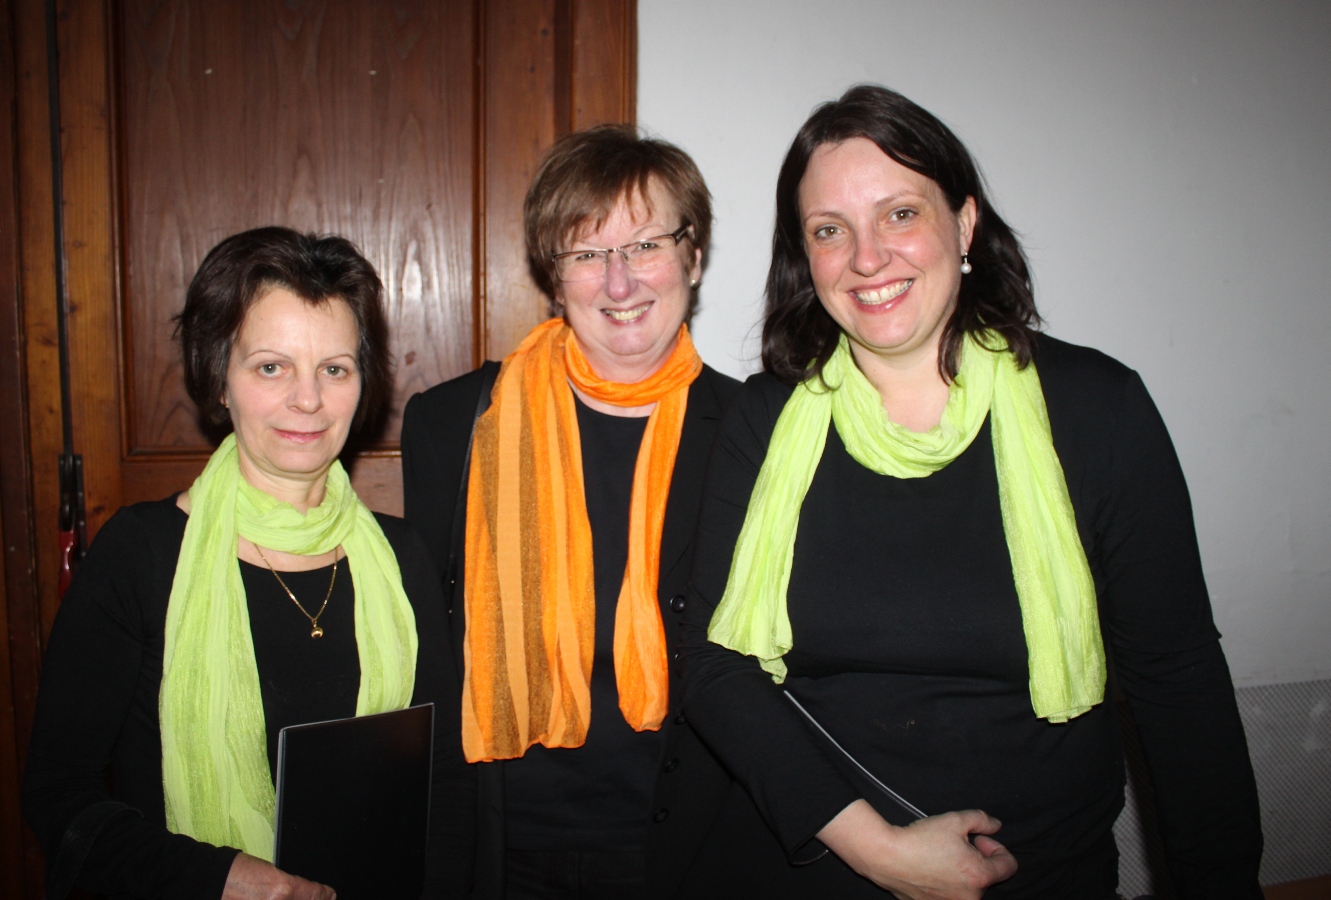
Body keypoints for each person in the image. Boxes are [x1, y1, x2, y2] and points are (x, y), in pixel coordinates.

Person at [676, 85, 1264, 900]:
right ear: (805, 257)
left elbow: (1177, 680)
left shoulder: (1097, 409)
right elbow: (713, 665)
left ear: (965, 224)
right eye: (829, 230)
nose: (867, 258)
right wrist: (881, 851)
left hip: (1037, 874)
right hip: (807, 867)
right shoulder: (764, 416)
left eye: (900, 214)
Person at [23, 227, 470, 899]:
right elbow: (60, 797)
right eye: (270, 367)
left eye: (334, 369)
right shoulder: (140, 555)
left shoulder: (404, 556)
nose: (308, 400)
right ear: (219, 380)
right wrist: (217, 878)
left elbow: (445, 785)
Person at [401, 124, 740, 899]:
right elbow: (424, 656)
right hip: (500, 849)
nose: (619, 283)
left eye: (645, 245)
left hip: (690, 849)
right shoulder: (453, 424)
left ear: (693, 256)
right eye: (586, 254)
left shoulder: (754, 431)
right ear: (553, 278)